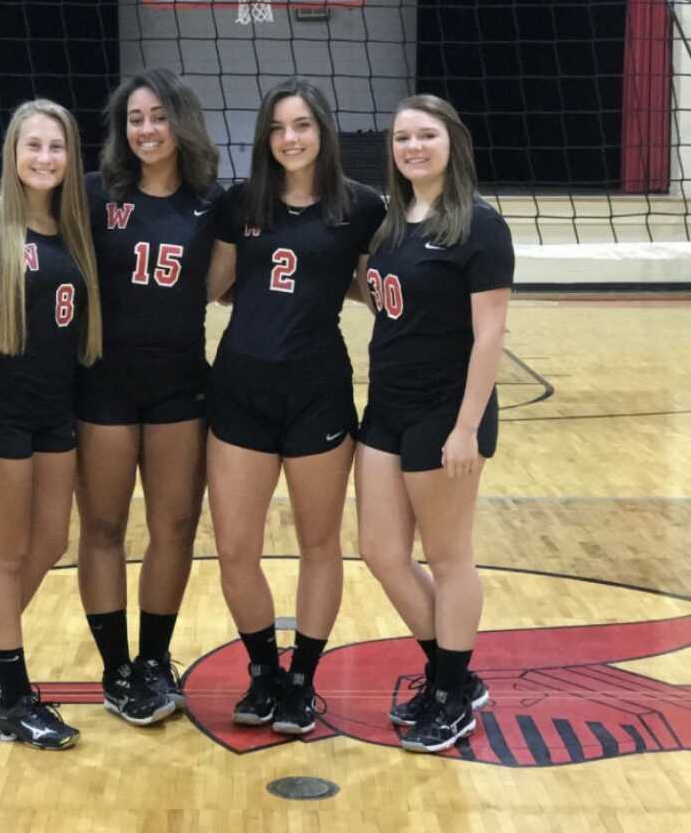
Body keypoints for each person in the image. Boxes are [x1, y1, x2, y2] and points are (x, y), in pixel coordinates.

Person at [206, 77, 385, 736]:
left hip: (319, 392)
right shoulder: (238, 204)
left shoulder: (360, 207)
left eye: (302, 126)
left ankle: (303, 679)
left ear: (323, 132)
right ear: (265, 139)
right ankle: (263, 672)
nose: (290, 138)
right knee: (234, 549)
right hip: (240, 390)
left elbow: (382, 288)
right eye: (278, 128)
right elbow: (214, 286)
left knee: (318, 543)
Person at [355, 94, 514, 754]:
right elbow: (379, 295)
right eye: (402, 138)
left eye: (426, 135)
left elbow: (490, 335)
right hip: (386, 406)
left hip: (447, 413)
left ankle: (450, 693)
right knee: (382, 554)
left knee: (447, 558)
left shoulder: (479, 226)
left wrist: (466, 429)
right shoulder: (391, 223)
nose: (413, 148)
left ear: (452, 142)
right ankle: (453, 673)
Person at [0, 98, 102, 750]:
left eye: (56, 147)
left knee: (50, 543)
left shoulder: (78, 232)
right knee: (4, 553)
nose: (44, 158)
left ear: (70, 158)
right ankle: (12, 696)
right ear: (13, 155)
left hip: (55, 410)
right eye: (32, 146)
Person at [75, 68, 221, 725]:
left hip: (180, 388)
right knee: (104, 527)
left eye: (158, 115)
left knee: (174, 528)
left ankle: (155, 660)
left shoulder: (214, 202)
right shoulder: (93, 195)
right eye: (134, 118)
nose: (146, 129)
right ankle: (116, 669)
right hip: (102, 384)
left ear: (180, 121)